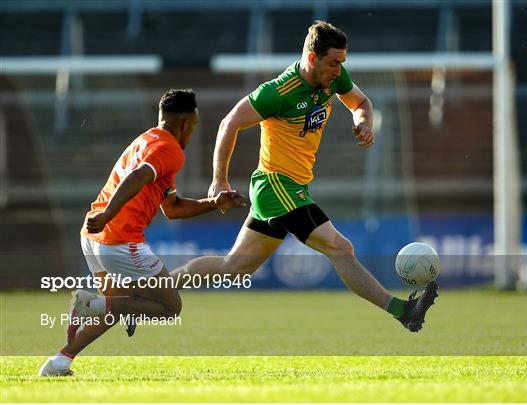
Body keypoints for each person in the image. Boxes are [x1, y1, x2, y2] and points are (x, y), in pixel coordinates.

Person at [170, 21, 438, 331]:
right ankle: (405, 311)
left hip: (291, 187)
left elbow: (361, 103)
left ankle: (149, 290)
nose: (339, 70)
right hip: (275, 185)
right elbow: (229, 123)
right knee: (341, 247)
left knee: (233, 268)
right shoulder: (277, 92)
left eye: (342, 63)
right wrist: (219, 179)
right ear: (312, 58)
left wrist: (363, 122)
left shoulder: (333, 78)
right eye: (333, 63)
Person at [38, 89, 246, 377]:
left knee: (116, 306)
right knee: (170, 306)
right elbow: (138, 176)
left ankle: (59, 362)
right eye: (195, 126)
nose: (193, 133)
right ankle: (90, 303)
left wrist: (213, 203)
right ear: (186, 123)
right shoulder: (170, 149)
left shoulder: (146, 139)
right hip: (118, 239)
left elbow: (171, 208)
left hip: (92, 235)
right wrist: (109, 215)